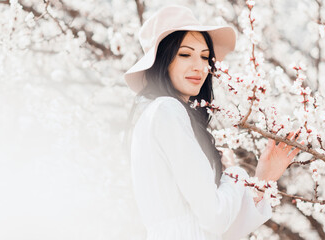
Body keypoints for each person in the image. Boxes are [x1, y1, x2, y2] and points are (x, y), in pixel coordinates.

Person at [123, 5, 303, 240]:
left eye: (205, 57)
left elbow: (220, 230)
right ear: (162, 60)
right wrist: (234, 173)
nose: (199, 66)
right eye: (185, 54)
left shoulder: (156, 115)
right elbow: (215, 219)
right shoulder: (166, 110)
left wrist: (263, 179)